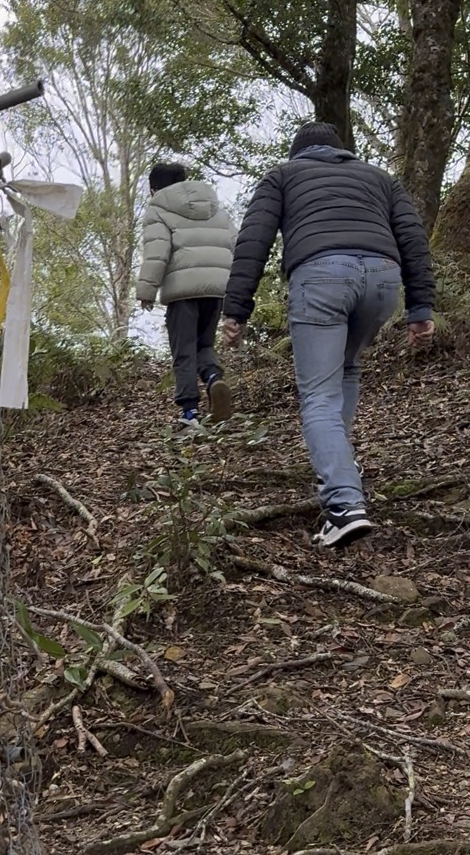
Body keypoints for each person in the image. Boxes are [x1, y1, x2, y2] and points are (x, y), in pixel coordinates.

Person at [220, 121, 435, 546]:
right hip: (382, 280)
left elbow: (254, 239)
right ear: (342, 151)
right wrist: (420, 307)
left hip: (321, 276)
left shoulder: (282, 175)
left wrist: (236, 309)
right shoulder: (380, 178)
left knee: (318, 395)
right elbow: (412, 238)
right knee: (346, 369)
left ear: (297, 151)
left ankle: (344, 504)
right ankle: (339, 473)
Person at [136, 161, 237, 426]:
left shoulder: (158, 208)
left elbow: (158, 252)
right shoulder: (214, 206)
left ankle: (190, 413)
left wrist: (147, 289)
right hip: (216, 289)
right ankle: (214, 378)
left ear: (154, 188)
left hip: (182, 292)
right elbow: (236, 243)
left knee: (184, 350)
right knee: (204, 344)